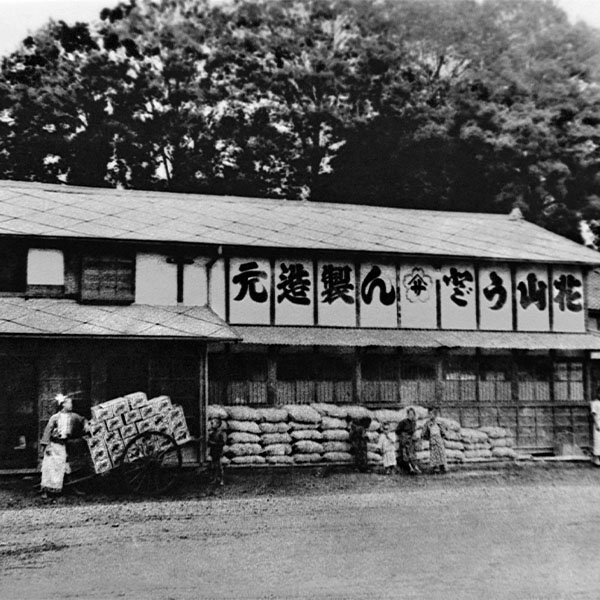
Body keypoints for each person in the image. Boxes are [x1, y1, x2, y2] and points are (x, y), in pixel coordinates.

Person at [39, 394, 87, 499]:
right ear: (63, 405)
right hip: (53, 446)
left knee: (64, 467)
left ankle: (69, 487)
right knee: (50, 468)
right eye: (69, 403)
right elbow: (47, 431)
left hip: (63, 446)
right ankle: (45, 491)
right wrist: (44, 447)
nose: (71, 405)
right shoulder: (55, 417)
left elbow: (83, 420)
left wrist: (87, 426)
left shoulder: (73, 416)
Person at [421, 407, 447, 474]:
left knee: (441, 453)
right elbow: (423, 433)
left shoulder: (439, 423)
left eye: (432, 414)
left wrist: (443, 436)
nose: (430, 415)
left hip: (439, 439)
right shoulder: (427, 423)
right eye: (429, 414)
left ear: (435, 415)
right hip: (432, 440)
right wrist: (426, 437)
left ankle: (442, 466)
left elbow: (443, 431)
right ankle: (436, 468)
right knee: (434, 454)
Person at [396, 407, 421, 474]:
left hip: (411, 441)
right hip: (404, 440)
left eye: (412, 414)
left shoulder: (413, 423)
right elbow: (397, 430)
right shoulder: (403, 422)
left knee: (412, 453)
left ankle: (415, 467)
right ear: (407, 414)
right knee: (405, 454)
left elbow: (414, 431)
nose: (411, 416)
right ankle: (410, 468)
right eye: (410, 414)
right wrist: (403, 436)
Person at [207, 417, 227, 485]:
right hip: (213, 451)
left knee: (219, 466)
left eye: (213, 423)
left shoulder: (221, 433)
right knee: (214, 466)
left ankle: (221, 479)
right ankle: (215, 479)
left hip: (218, 451)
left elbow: (223, 442)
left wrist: (214, 443)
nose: (212, 424)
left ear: (218, 424)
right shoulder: (212, 433)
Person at [590, 389, 600, 466]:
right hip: (598, 423)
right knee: (597, 441)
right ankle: (596, 459)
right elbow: (594, 414)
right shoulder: (595, 403)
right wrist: (597, 424)